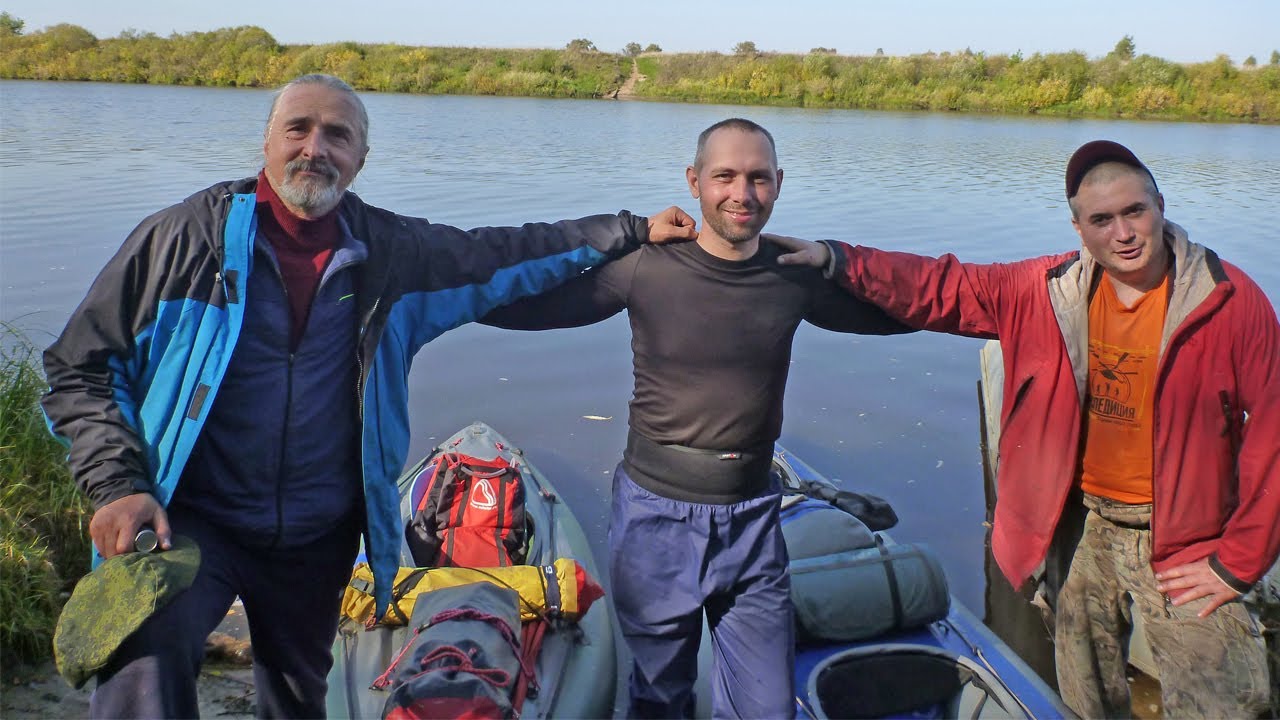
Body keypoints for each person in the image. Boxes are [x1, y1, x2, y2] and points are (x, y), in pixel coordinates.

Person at [39, 73, 696, 719]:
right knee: (142, 661)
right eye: (298, 128)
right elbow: (80, 367)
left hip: (318, 535)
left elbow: (505, 255)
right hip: (192, 519)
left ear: (360, 158)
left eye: (338, 135)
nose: (315, 148)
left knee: (299, 698)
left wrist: (629, 227)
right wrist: (118, 485)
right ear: (267, 141)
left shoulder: (395, 254)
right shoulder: (184, 239)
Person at [771, 140, 1278, 718]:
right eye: (1102, 220)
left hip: (1186, 536)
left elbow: (1273, 431)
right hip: (1079, 526)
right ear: (1079, 229)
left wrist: (1238, 561)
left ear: (1160, 205)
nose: (1124, 233)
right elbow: (942, 287)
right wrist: (837, 259)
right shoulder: (1047, 290)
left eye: (1135, 211)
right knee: (1085, 692)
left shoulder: (1228, 301)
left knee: (1224, 702)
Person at [483, 118, 910, 718]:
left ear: (779, 184)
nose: (743, 193)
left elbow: (904, 307)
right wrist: (432, 299)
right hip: (657, 519)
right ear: (694, 181)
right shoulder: (646, 267)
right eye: (725, 176)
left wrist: (843, 260)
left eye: (759, 178)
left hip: (755, 520)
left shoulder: (794, 275)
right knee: (661, 698)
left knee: (768, 710)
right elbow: (537, 306)